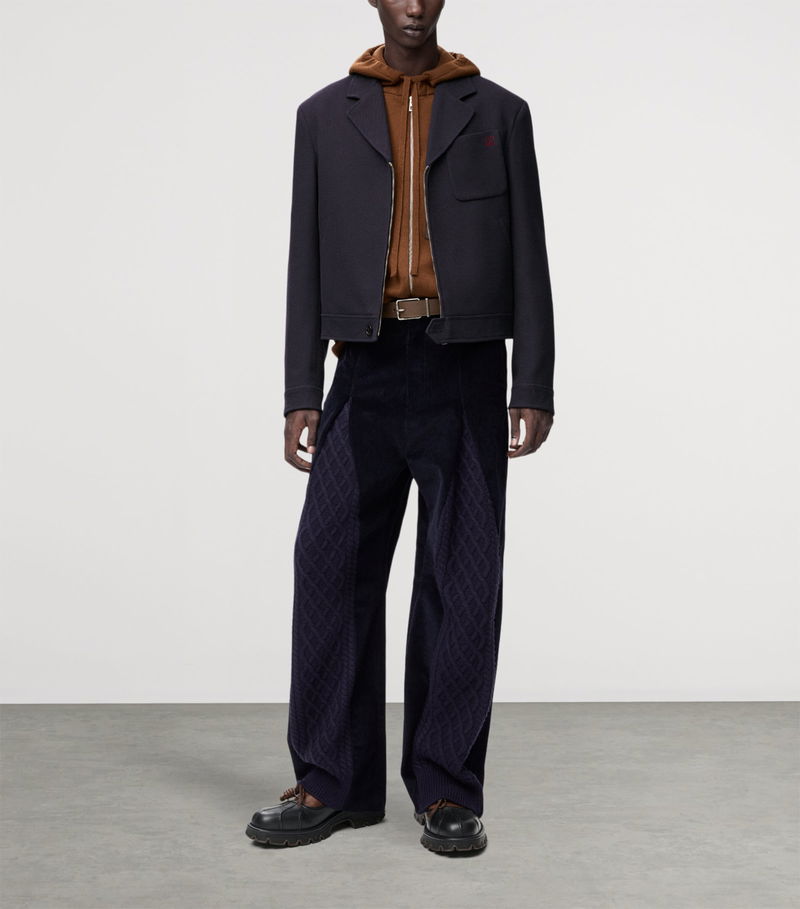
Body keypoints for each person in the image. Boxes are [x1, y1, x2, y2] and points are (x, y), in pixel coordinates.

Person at [246, 0, 555, 854]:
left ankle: (447, 789)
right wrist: (300, 386)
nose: (414, 5)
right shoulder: (324, 115)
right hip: (366, 365)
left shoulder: (498, 111)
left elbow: (530, 248)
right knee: (328, 567)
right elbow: (305, 253)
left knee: (464, 580)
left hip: (466, 367)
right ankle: (332, 782)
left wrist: (533, 379)